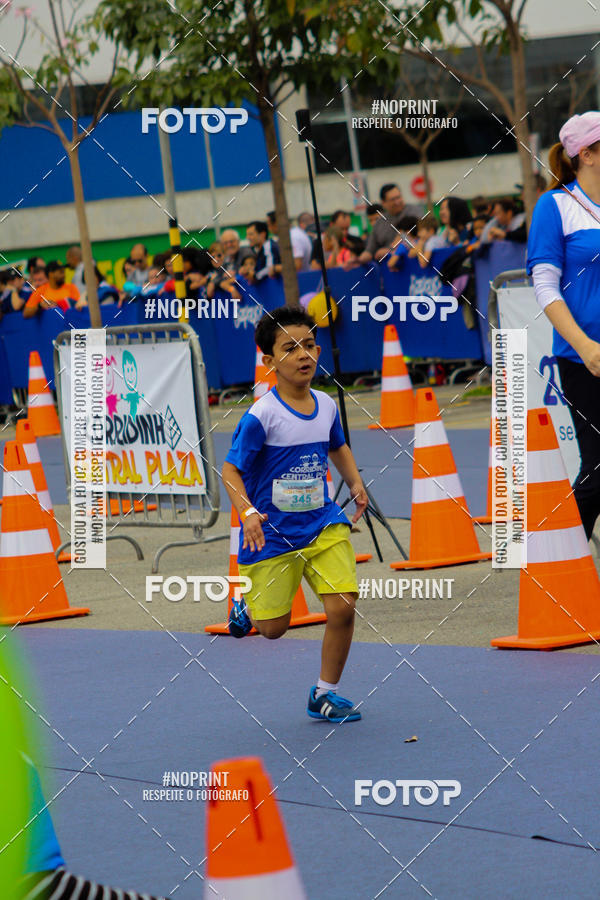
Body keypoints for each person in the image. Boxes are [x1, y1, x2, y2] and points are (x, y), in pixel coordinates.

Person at [222, 305, 367, 722]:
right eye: (290, 348)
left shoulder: (325, 405)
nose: (303, 355)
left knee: (342, 605)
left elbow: (337, 445)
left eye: (308, 346)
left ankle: (325, 694)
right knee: (273, 629)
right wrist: (248, 512)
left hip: (322, 522)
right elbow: (230, 469)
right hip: (273, 533)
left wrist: (354, 482)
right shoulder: (261, 415)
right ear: (269, 361)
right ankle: (247, 604)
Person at [528, 110, 600, 540]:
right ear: (587, 154)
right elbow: (545, 285)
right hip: (585, 358)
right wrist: (586, 346)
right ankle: (558, 559)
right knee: (597, 473)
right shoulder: (555, 205)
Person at [359, 184, 424, 263]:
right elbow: (369, 251)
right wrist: (357, 261)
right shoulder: (379, 223)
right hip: (388, 270)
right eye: (393, 200)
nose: (397, 202)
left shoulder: (414, 212)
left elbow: (420, 236)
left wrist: (389, 250)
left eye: (398, 197)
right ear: (383, 203)